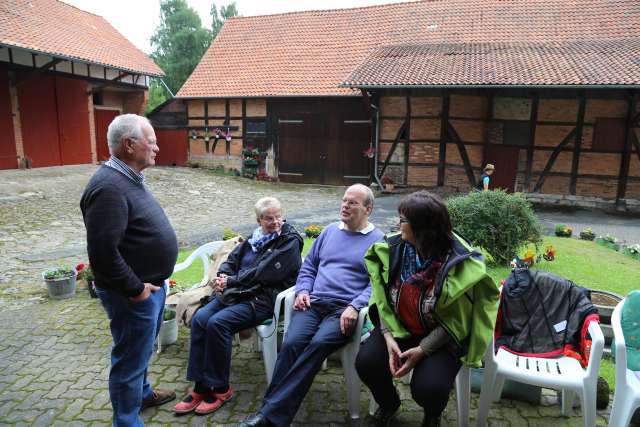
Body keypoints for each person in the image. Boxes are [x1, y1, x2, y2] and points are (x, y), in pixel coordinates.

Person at [236, 184, 384, 427]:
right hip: (313, 304)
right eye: (344, 200)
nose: (345, 205)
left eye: (353, 203)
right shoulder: (328, 232)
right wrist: (303, 290)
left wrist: (355, 306)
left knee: (316, 345)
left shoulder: (378, 241)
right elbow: (309, 267)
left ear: (368, 209)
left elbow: (376, 283)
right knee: (292, 343)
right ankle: (270, 414)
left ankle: (268, 417)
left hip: (343, 310)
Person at [357, 191, 500, 427]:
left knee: (428, 390)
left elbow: (458, 320)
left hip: (442, 338)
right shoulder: (393, 250)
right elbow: (381, 297)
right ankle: (389, 404)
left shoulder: (457, 263)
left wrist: (422, 350)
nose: (397, 224)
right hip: (398, 329)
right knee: (367, 364)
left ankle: (432, 414)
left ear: (422, 228)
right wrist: (387, 335)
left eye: (403, 220)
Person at [80, 114, 178, 426]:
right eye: (151, 141)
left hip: (151, 288)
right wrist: (135, 289)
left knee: (141, 350)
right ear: (129, 144)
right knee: (129, 360)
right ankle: (126, 420)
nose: (157, 147)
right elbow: (103, 254)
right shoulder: (108, 188)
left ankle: (143, 395)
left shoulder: (128, 179)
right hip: (133, 295)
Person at [173, 197, 303, 416]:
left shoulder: (289, 241)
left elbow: (264, 272)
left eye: (278, 216)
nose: (275, 221)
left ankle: (221, 389)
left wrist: (230, 282)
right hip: (237, 293)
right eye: (268, 218)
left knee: (218, 323)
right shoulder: (256, 237)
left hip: (262, 299)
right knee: (200, 318)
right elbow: (233, 258)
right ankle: (201, 387)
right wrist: (223, 274)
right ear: (259, 220)